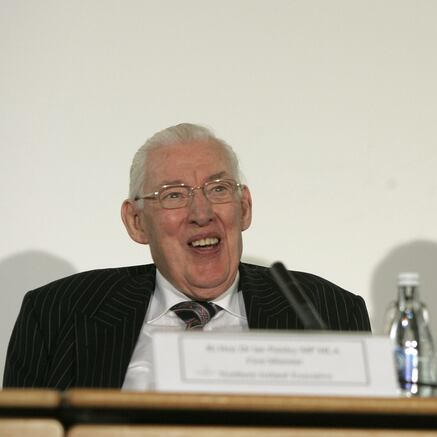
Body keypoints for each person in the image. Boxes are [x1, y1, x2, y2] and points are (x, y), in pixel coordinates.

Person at [4, 123, 370, 390]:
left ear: (244, 208)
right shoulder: (57, 313)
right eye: (174, 195)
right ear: (136, 222)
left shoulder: (329, 312)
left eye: (218, 189)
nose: (201, 212)